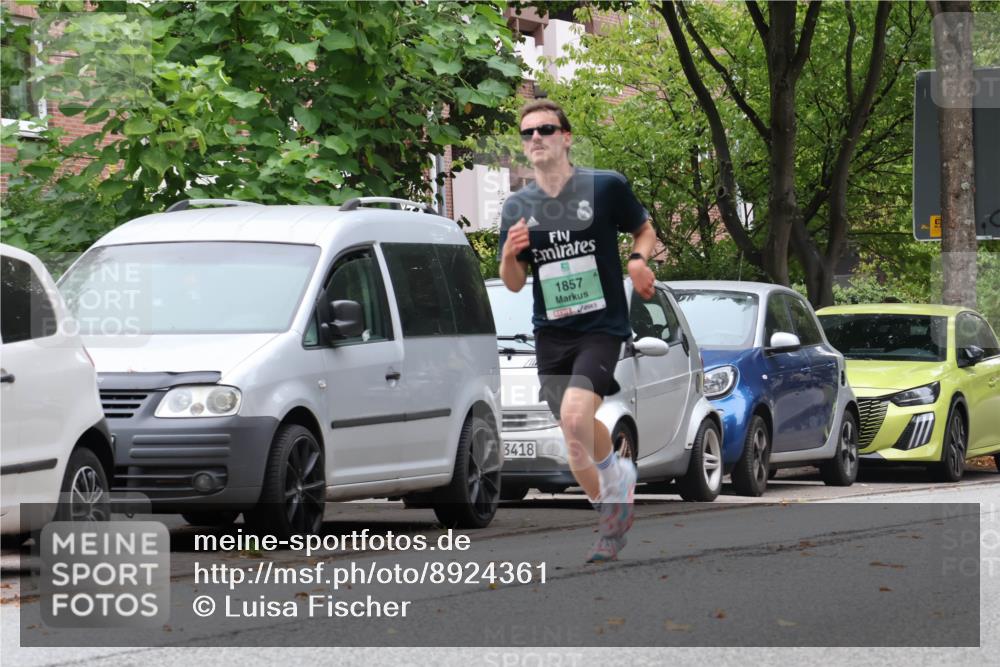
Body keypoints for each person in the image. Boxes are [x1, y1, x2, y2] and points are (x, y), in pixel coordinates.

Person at [497, 99, 657, 562]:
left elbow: (644, 231)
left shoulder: (604, 187)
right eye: (528, 133)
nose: (536, 138)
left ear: (566, 137)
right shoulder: (518, 206)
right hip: (552, 332)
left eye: (546, 129)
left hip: (601, 327)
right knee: (575, 433)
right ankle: (614, 492)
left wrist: (638, 261)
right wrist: (508, 255)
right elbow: (514, 283)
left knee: (573, 417)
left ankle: (609, 517)